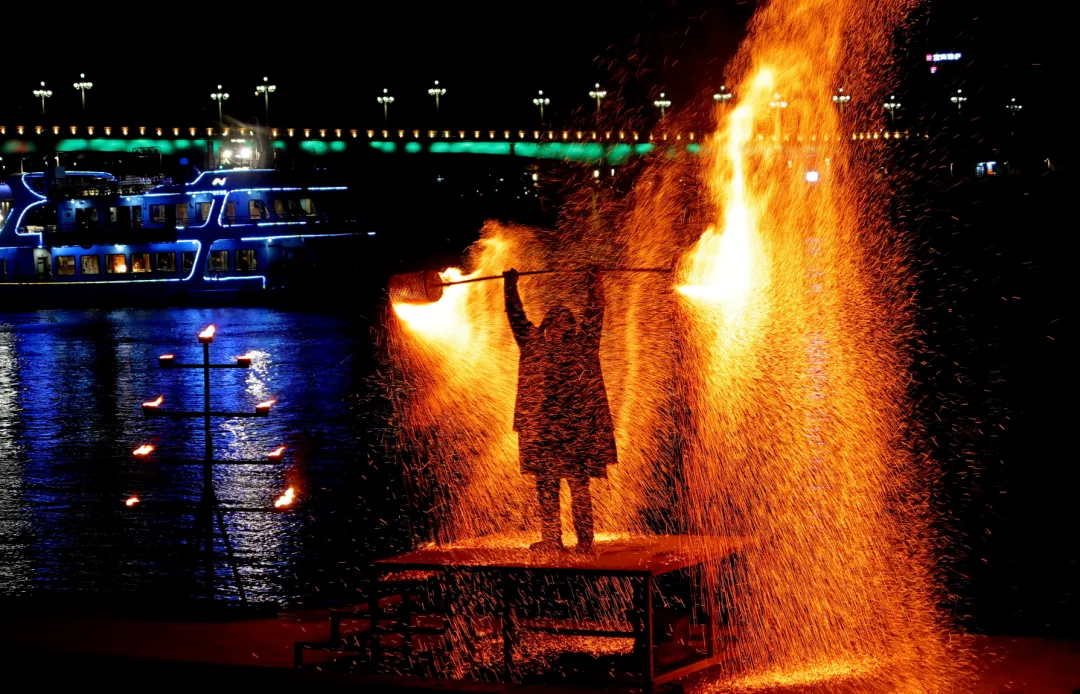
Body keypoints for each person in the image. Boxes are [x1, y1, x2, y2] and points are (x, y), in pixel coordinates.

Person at [503, 266, 617, 552]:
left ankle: (584, 541)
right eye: (552, 325)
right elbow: (516, 316)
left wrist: (594, 280)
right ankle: (553, 538)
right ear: (545, 327)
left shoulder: (583, 345)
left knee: (578, 486)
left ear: (570, 328)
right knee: (546, 485)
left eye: (563, 325)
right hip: (543, 431)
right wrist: (510, 286)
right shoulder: (533, 345)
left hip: (574, 431)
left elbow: (595, 313)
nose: (557, 330)